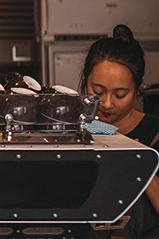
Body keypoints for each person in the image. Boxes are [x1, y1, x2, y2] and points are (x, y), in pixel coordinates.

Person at [80, 24, 159, 239]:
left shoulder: (154, 132)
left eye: (120, 94)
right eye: (97, 91)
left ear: (138, 87)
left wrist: (141, 164)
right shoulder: (74, 127)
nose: (107, 103)